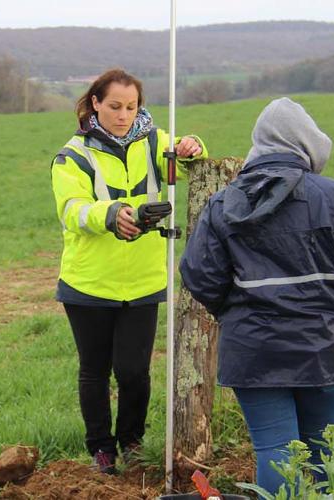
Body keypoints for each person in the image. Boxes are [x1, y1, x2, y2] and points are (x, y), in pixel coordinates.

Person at [179, 97, 334, 494]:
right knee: (327, 444)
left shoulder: (223, 204)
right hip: (325, 348)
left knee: (273, 448)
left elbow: (197, 274)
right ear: (306, 145)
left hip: (254, 351)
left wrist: (235, 314)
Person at [50, 68, 208, 474]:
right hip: (88, 282)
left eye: (131, 106)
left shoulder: (154, 140)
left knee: (134, 371)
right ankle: (102, 449)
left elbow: (192, 158)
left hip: (144, 280)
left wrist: (193, 146)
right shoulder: (73, 155)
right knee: (95, 371)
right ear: (96, 104)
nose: (123, 114)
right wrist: (111, 215)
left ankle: (133, 443)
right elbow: (72, 211)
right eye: (115, 106)